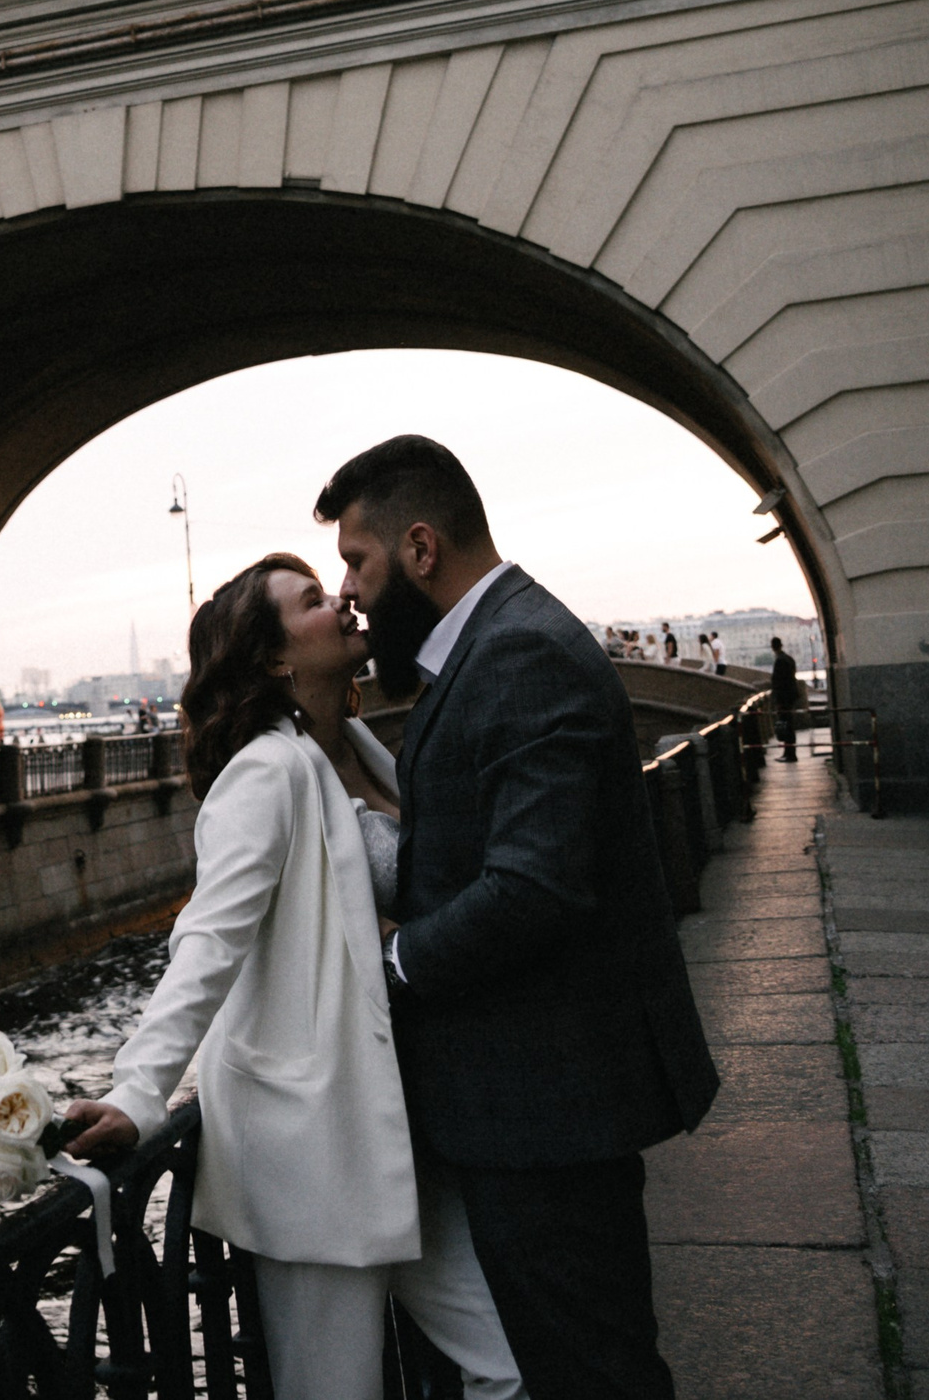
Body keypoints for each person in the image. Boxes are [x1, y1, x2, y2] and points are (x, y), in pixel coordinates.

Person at [59, 554, 522, 1400]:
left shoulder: (356, 746)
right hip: (314, 1151)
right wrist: (136, 1094)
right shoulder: (265, 772)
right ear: (274, 658)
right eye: (313, 601)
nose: (344, 601)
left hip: (397, 1126)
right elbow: (204, 944)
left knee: (508, 1367)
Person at [319, 435, 718, 1400]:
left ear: (420, 549)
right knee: (577, 1356)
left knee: (589, 1367)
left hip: (547, 1103)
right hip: (534, 1096)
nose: (352, 597)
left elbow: (535, 887)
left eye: (359, 563)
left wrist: (390, 963)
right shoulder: (495, 647)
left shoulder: (522, 652)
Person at [769, 637, 801, 762]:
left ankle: (790, 754)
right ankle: (788, 752)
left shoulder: (779, 661)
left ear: (773, 647)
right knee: (789, 725)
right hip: (791, 696)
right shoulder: (789, 659)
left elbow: (780, 683)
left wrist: (778, 701)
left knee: (786, 726)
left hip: (784, 698)